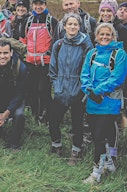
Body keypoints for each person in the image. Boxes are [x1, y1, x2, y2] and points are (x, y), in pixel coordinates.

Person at [80, 23, 127, 184]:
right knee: (97, 136)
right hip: (92, 102)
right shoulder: (92, 53)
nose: (105, 37)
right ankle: (108, 164)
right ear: (96, 36)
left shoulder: (120, 54)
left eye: (108, 34)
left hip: (109, 103)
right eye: (101, 34)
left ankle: (96, 173)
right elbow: (84, 74)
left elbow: (117, 78)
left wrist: (98, 91)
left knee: (100, 137)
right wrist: (89, 91)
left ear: (113, 36)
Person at [48, 13, 93, 165]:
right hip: (61, 90)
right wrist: (56, 85)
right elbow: (53, 68)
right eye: (70, 24)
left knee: (77, 124)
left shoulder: (86, 44)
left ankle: (76, 151)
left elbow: (88, 68)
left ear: (80, 27)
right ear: (64, 26)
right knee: (53, 120)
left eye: (76, 24)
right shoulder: (58, 45)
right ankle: (56, 146)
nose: (72, 27)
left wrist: (82, 89)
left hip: (77, 91)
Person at [20, 0, 58, 123]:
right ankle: (36, 115)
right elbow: (23, 39)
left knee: (44, 91)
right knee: (32, 91)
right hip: (30, 63)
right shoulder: (28, 21)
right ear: (32, 5)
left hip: (46, 64)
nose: (38, 6)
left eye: (40, 4)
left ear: (45, 5)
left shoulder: (51, 21)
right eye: (35, 4)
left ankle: (48, 115)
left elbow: (56, 41)